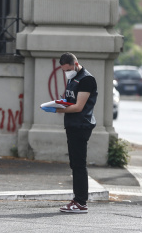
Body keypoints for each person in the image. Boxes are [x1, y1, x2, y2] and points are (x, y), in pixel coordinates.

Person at [41, 52, 97, 213]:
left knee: (79, 164)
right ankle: (78, 200)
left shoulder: (86, 79)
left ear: (76, 63)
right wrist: (60, 103)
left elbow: (79, 107)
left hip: (81, 125)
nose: (67, 72)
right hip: (73, 125)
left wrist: (58, 110)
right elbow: (71, 100)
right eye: (64, 70)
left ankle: (80, 202)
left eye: (68, 69)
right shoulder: (73, 78)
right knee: (75, 164)